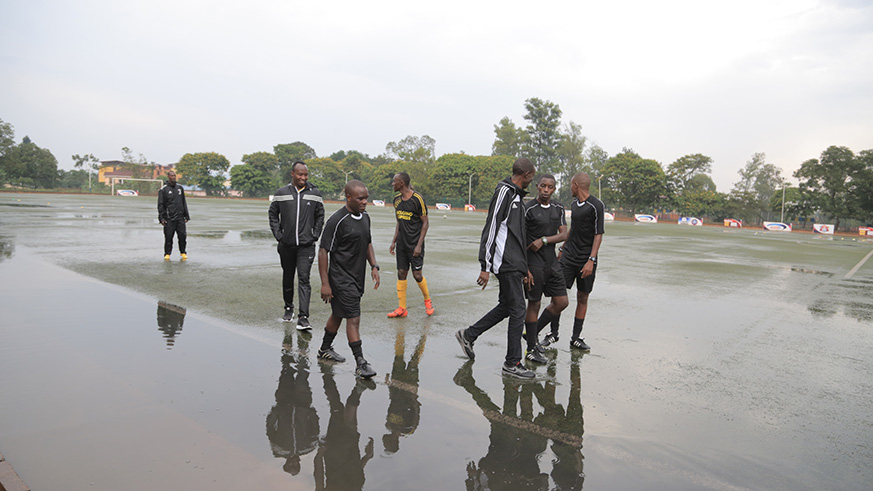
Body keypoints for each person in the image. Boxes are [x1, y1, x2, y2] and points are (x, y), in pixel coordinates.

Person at [456, 157, 537, 379]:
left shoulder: (517, 196)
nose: (533, 179)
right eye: (533, 175)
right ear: (527, 174)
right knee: (519, 309)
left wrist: (525, 267)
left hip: (515, 263)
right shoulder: (505, 192)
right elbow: (491, 227)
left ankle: (469, 335)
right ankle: (512, 363)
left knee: (507, 306)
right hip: (505, 262)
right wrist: (485, 265)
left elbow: (517, 236)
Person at [316, 180, 380, 379]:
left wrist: (374, 265)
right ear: (349, 197)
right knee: (353, 318)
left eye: (366, 198)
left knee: (338, 313)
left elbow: (368, 241)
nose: (365, 202)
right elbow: (323, 251)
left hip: (356, 276)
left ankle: (324, 349)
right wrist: (325, 283)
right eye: (360, 198)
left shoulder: (365, 217)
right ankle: (361, 363)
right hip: (340, 278)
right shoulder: (337, 220)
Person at [541, 172, 604, 351]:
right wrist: (562, 248)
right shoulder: (574, 205)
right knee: (557, 293)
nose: (570, 188)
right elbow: (574, 229)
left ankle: (576, 338)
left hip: (586, 259)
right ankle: (553, 333)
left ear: (576, 185)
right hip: (568, 256)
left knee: (582, 297)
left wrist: (591, 260)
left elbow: (598, 235)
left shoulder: (596, 205)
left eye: (571, 185)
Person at [269, 161, 325, 330]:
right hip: (286, 245)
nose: (303, 178)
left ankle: (303, 317)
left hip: (306, 246)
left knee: (304, 278)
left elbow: (320, 215)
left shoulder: (314, 193)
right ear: (292, 174)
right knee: (287, 277)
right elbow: (273, 214)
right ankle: (288, 308)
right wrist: (279, 235)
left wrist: (314, 235)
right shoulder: (281, 193)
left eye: (306, 175)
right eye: (300, 174)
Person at [522, 174, 569, 364]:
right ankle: (531, 349)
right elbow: (521, 240)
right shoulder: (528, 209)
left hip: (552, 263)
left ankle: (531, 334)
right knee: (534, 304)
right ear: (537, 187)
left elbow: (564, 234)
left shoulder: (558, 208)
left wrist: (544, 240)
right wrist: (525, 269)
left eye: (550, 187)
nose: (546, 190)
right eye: (543, 186)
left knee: (561, 302)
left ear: (554, 189)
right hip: (534, 264)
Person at [388, 172, 434, 318]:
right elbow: (399, 222)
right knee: (401, 273)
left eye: (394, 182)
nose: (392, 184)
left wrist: (419, 245)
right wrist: (394, 241)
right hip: (402, 244)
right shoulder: (396, 200)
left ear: (401, 183)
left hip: (415, 244)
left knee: (417, 275)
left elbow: (425, 222)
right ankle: (402, 308)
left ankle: (428, 301)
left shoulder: (417, 199)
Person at [157, 170, 189, 260]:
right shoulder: (163, 189)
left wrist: (186, 215)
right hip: (169, 218)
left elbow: (183, 202)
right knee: (168, 237)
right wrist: (161, 218)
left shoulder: (180, 188)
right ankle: (167, 254)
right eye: (172, 176)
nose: (173, 177)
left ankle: (183, 252)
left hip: (180, 218)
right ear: (168, 177)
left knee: (182, 236)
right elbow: (160, 205)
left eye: (174, 176)